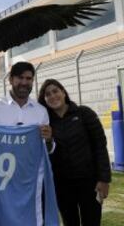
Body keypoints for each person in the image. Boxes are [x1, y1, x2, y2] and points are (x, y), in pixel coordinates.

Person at [0, 61, 59, 225]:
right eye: (20, 78)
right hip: (3, 187)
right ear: (10, 79)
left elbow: (48, 151)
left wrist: (49, 139)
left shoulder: (41, 112)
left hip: (32, 185)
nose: (24, 82)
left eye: (29, 78)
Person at [38, 79, 111, 226]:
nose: (52, 96)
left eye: (55, 91)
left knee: (92, 222)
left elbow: (100, 147)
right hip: (62, 186)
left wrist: (104, 179)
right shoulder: (45, 123)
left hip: (89, 183)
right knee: (70, 223)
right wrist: (48, 140)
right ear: (44, 100)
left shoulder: (84, 113)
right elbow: (45, 155)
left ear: (63, 92)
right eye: (47, 94)